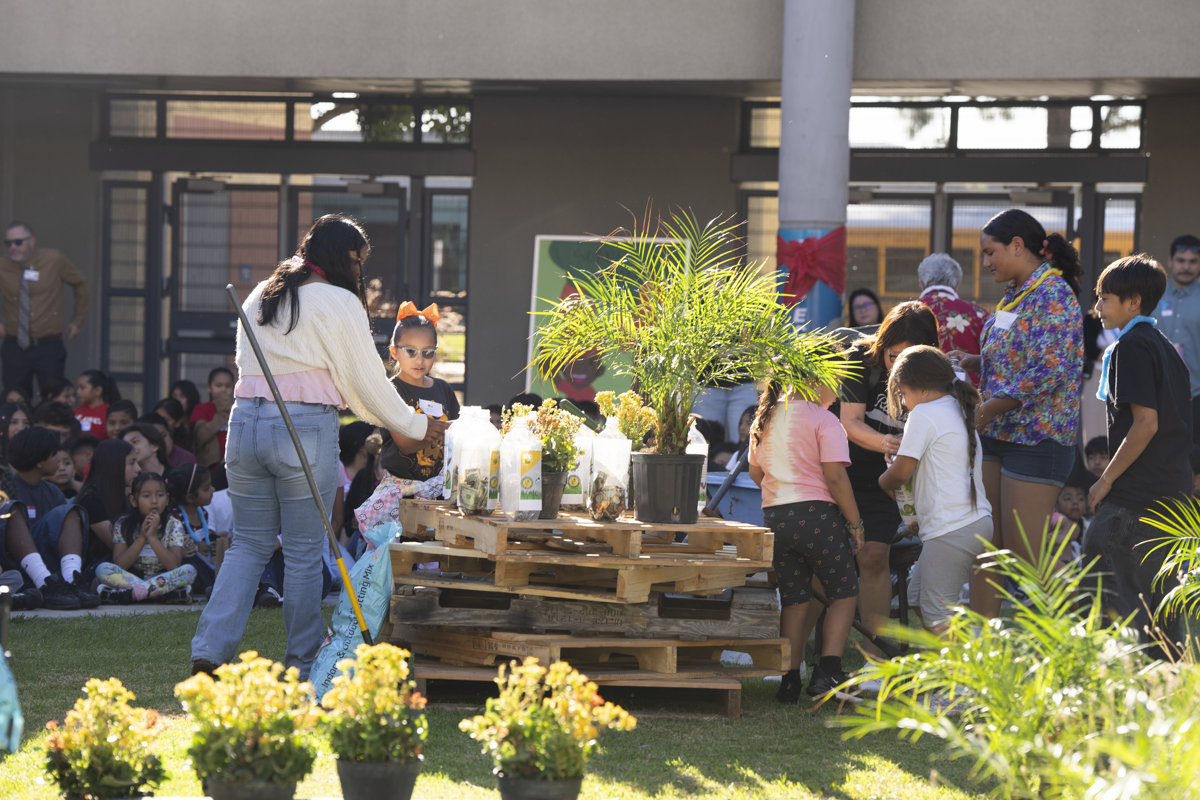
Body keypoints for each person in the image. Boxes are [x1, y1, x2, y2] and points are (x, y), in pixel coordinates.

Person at [190, 213, 447, 679]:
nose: (361, 271)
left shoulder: (261, 292)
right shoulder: (338, 300)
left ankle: (208, 652)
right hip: (303, 428)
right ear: (342, 257)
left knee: (247, 544)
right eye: (358, 261)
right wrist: (412, 423)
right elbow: (366, 381)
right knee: (305, 552)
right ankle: (302, 663)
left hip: (244, 423)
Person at [951, 210, 1084, 620]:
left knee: (1026, 553)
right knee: (985, 546)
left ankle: (1085, 636)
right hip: (996, 434)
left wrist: (991, 406)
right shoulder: (1015, 293)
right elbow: (1018, 353)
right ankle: (984, 647)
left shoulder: (1054, 293)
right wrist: (977, 360)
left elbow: (1050, 368)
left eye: (990, 252)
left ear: (1017, 245)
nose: (985, 262)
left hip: (1037, 440)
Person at [1083, 254, 1190, 659]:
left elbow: (1146, 424)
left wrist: (1105, 479)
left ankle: (1123, 683)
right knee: (1160, 607)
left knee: (1108, 598)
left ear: (1133, 302)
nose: (1097, 307)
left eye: (1104, 298)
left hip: (1135, 498)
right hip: (1171, 493)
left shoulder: (1131, 346)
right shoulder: (1163, 346)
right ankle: (1165, 685)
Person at [747, 375, 864, 702]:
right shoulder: (824, 420)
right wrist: (856, 524)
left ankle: (789, 682)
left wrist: (782, 493)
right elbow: (835, 477)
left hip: (776, 519)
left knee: (794, 600)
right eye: (836, 382)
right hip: (818, 517)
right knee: (844, 592)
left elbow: (755, 472)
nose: (838, 393)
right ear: (815, 380)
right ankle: (828, 673)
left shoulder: (764, 418)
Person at [839, 300, 940, 654]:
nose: (897, 365)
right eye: (892, 355)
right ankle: (810, 654)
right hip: (844, 472)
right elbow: (849, 422)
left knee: (872, 555)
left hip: (892, 481)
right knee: (825, 558)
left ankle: (875, 656)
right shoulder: (859, 359)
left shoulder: (935, 372)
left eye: (907, 356)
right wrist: (890, 443)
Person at [878, 346, 991, 637]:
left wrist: (883, 480)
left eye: (903, 394)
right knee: (917, 598)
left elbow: (901, 473)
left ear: (923, 390)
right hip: (969, 523)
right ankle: (965, 654)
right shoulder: (955, 408)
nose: (904, 403)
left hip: (953, 527)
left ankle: (979, 660)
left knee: (937, 612)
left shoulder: (925, 413)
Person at [6, 427, 100, 608]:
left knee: (70, 511)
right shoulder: (8, 489)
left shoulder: (52, 491)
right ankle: (45, 585)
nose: (58, 459)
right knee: (12, 509)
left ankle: (72, 580)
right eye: (54, 453)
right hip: (16, 565)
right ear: (39, 461)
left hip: (50, 564)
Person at [0, 221, 90, 396]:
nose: (13, 247)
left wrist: (77, 320)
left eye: (18, 242)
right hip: (15, 345)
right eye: (8, 243)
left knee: (53, 398)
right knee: (15, 399)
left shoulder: (54, 259)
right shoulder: (2, 266)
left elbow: (80, 283)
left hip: (48, 346)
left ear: (32, 241)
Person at [378, 303, 461, 483]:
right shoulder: (390, 391)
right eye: (410, 351)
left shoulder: (444, 389)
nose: (419, 360)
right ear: (394, 352)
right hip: (401, 490)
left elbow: (458, 437)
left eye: (427, 352)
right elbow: (405, 444)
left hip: (440, 488)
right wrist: (445, 430)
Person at [97, 472, 196, 604]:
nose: (154, 501)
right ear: (133, 501)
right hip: (132, 578)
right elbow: (120, 564)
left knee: (189, 571)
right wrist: (143, 537)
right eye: (146, 496)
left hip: (163, 577)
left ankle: (128, 596)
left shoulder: (173, 524)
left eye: (160, 495)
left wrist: (153, 538)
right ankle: (161, 595)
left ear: (167, 499)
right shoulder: (122, 525)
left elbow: (174, 566)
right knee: (102, 569)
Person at [1151, 234, 1200, 445]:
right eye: (1181, 260)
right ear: (1170, 261)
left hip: (1196, 395)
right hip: (1157, 394)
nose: (1186, 267)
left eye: (1193, 261)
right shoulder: (1152, 296)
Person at [915, 253, 991, 387]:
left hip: (916, 393)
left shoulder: (904, 313)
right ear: (957, 286)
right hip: (967, 395)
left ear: (921, 284)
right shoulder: (980, 315)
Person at [71, 438, 139, 584]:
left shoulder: (125, 496)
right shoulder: (90, 499)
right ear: (113, 465)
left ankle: (148, 588)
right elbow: (118, 546)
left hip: (131, 560)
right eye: (132, 463)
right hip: (100, 567)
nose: (138, 468)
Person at [167, 463, 220, 597]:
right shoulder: (174, 518)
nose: (213, 490)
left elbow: (202, 537)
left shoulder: (203, 512)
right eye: (207, 488)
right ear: (190, 498)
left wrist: (211, 545)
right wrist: (195, 548)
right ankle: (213, 584)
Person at [191, 367, 235, 472]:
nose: (223, 389)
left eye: (228, 386)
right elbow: (200, 436)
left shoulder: (237, 410)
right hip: (210, 469)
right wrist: (223, 413)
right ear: (209, 387)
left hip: (234, 467)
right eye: (218, 385)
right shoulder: (202, 408)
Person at [75, 369, 118, 440]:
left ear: (98, 390)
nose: (78, 391)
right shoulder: (76, 412)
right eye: (78, 388)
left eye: (82, 388)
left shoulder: (110, 412)